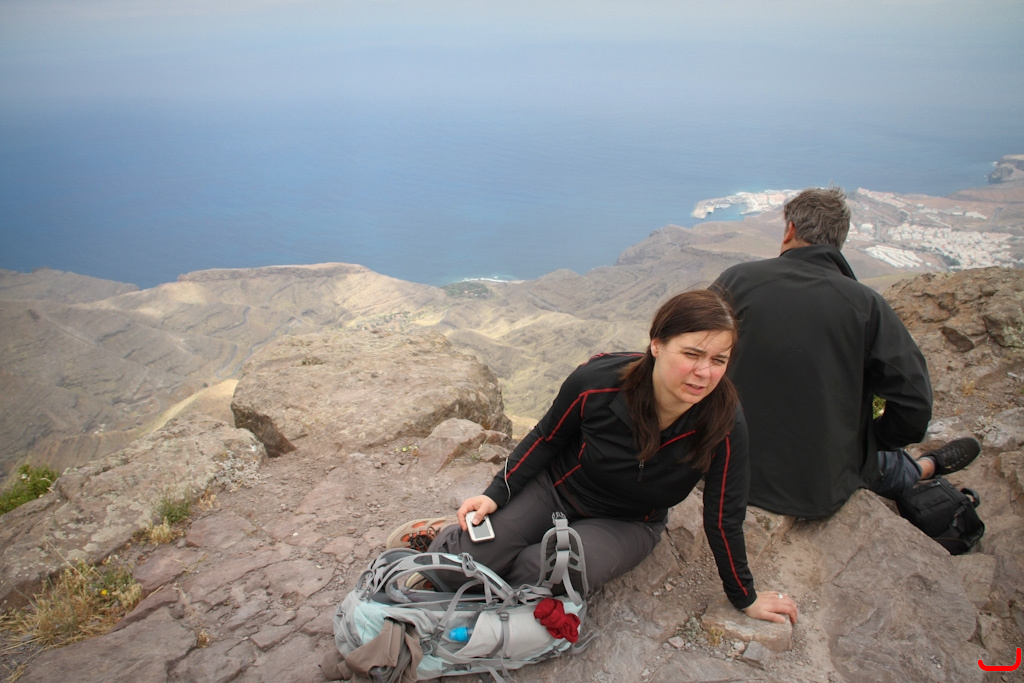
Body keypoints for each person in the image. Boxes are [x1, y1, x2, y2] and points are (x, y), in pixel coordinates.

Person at [388, 290, 798, 625]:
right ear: (656, 344)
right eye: (692, 354)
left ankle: (498, 555)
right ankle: (448, 536)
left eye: (718, 360)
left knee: (543, 573)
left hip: (630, 523)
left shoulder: (723, 421)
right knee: (455, 570)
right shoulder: (599, 382)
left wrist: (744, 596)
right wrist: (496, 494)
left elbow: (724, 514)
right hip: (557, 490)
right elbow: (546, 438)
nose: (704, 373)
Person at [711, 186, 980, 519]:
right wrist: (871, 439)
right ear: (839, 239)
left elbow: (686, 346)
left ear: (790, 230)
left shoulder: (737, 280)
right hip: (818, 489)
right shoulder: (867, 306)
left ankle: (924, 466)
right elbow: (914, 406)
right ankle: (927, 467)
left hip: (723, 467)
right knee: (885, 463)